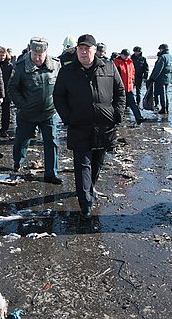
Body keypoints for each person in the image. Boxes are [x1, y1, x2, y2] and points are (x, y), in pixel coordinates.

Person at [53, 34, 126, 219]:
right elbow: (58, 96)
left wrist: (117, 114)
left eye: (87, 49)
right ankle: (85, 202)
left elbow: (120, 92)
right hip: (79, 125)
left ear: (95, 50)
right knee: (82, 165)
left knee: (97, 163)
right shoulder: (67, 71)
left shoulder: (108, 67)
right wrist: (68, 116)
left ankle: (89, 188)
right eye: (80, 49)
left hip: (104, 126)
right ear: (76, 50)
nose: (84, 52)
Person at [9, 36, 62, 184]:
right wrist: (22, 105)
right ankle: (18, 161)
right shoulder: (20, 66)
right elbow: (12, 88)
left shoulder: (56, 65)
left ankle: (51, 173)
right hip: (27, 113)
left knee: (51, 142)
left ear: (46, 52)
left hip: (49, 112)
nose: (37, 58)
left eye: (40, 55)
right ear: (30, 51)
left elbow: (62, 86)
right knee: (21, 140)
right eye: (35, 54)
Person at [114, 49, 146, 124]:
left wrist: (132, 82)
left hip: (129, 87)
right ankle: (117, 120)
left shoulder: (130, 62)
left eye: (127, 55)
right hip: (120, 88)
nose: (126, 57)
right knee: (119, 104)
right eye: (125, 55)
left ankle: (139, 118)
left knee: (133, 103)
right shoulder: (116, 63)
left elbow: (132, 73)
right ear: (121, 55)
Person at [147, 44, 172, 115]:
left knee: (162, 94)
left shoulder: (162, 57)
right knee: (165, 93)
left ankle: (163, 108)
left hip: (161, 78)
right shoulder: (171, 57)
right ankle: (166, 107)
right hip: (168, 78)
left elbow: (158, 69)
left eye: (160, 49)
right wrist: (171, 77)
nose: (159, 51)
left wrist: (152, 78)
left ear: (162, 49)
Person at [0, 47, 14, 138]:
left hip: (6, 91)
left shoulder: (10, 66)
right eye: (0, 55)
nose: (2, 57)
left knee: (6, 112)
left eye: (3, 55)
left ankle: (4, 129)